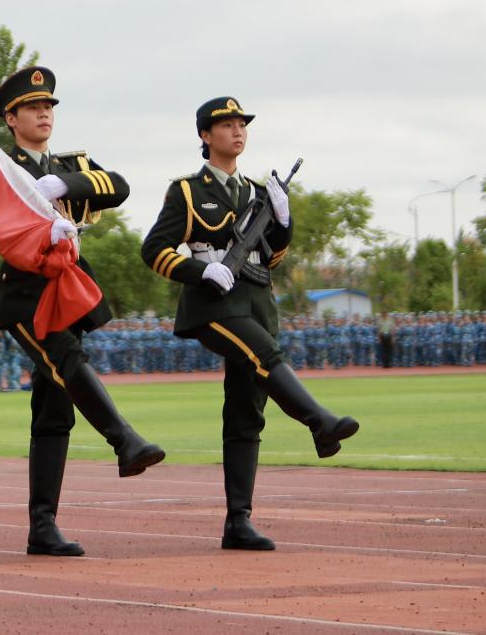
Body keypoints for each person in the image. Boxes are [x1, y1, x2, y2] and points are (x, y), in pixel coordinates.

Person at [140, 97, 359, 550]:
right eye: (227, 125)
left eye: (242, 124)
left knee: (246, 411)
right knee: (265, 356)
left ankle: (238, 521)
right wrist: (200, 271)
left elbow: (271, 258)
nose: (238, 131)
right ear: (206, 135)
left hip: (257, 303)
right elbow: (154, 249)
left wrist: (284, 220)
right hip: (213, 307)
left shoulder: (258, 193)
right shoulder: (188, 191)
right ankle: (319, 421)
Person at [0, 67, 166, 557]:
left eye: (48, 106)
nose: (44, 114)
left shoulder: (70, 164)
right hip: (25, 290)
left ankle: (43, 526)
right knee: (67, 360)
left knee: (54, 410)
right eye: (33, 107)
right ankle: (123, 440)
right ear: (12, 118)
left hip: (67, 287)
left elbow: (118, 186)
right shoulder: (0, 166)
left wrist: (63, 184)